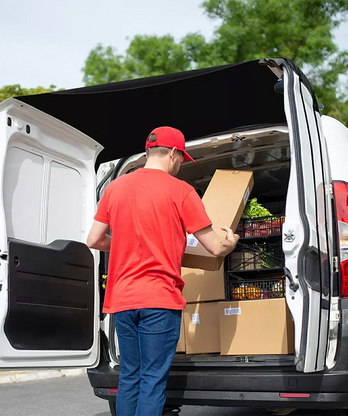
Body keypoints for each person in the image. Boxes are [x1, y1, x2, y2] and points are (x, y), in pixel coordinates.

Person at [87, 126, 239, 416]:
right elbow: (215, 248)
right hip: (159, 299)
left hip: (122, 300)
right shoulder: (181, 191)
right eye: (181, 158)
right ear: (172, 153)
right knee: (153, 381)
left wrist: (128, 242)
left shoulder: (115, 187)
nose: (180, 164)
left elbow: (93, 239)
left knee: (130, 376)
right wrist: (230, 242)